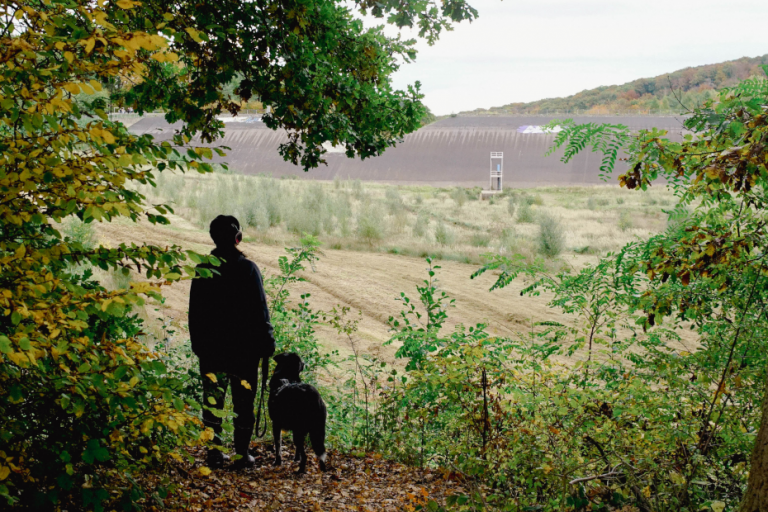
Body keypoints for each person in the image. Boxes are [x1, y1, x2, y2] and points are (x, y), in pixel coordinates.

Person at [188, 215, 276, 469]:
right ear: (238, 238)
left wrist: (199, 345)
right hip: (244, 351)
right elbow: (261, 312)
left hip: (211, 349)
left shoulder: (203, 268)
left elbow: (195, 313)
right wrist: (267, 343)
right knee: (244, 403)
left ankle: (214, 454)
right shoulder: (248, 269)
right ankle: (241, 455)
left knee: (212, 401)